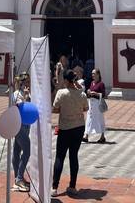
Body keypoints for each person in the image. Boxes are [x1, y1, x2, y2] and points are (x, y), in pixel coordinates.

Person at [51, 69, 88, 197]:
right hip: (78, 128)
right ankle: (72, 186)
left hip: (65, 128)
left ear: (66, 80)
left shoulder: (61, 93)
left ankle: (54, 187)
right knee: (74, 156)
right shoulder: (82, 94)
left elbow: (55, 109)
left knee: (60, 157)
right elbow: (86, 108)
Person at [12, 73, 31, 192]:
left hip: (26, 124)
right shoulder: (17, 94)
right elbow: (21, 106)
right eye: (27, 81)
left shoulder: (25, 93)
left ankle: (17, 177)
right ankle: (19, 178)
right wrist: (26, 96)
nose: (28, 84)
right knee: (27, 150)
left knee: (17, 150)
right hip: (19, 125)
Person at [83, 68, 106, 143]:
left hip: (97, 104)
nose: (92, 75)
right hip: (91, 103)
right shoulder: (92, 82)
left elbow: (104, 95)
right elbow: (89, 91)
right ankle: (86, 135)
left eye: (94, 73)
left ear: (98, 75)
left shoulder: (101, 84)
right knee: (89, 118)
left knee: (99, 119)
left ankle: (102, 136)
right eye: (92, 73)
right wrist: (88, 92)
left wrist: (95, 94)